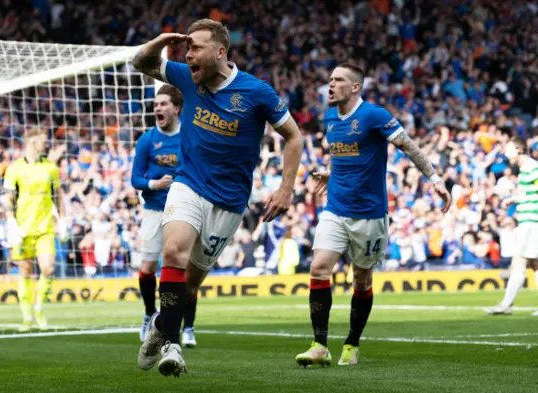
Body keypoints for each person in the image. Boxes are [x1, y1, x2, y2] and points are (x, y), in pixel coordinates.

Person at [132, 18, 303, 376]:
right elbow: (141, 63)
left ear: (220, 51)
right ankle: (173, 346)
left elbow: (294, 136)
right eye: (186, 48)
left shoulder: (256, 92)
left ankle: (162, 326)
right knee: (173, 251)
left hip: (229, 201)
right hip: (188, 183)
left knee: (190, 284)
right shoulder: (184, 77)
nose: (188, 54)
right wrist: (161, 41)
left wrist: (286, 188)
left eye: (195, 48)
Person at [294, 63, 452, 367]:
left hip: (369, 214)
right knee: (319, 267)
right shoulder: (329, 116)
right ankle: (319, 344)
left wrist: (435, 180)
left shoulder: (374, 115)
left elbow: (409, 147)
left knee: (362, 280)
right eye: (329, 80)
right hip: (336, 208)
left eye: (338, 80)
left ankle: (352, 344)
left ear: (355, 87)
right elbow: (345, 155)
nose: (330, 85)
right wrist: (331, 174)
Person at [131, 84, 198, 347]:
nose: (157, 108)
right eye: (155, 104)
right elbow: (135, 177)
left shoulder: (189, 136)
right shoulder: (147, 140)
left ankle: (188, 327)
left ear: (176, 108)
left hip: (184, 210)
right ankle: (149, 314)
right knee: (147, 269)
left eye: (162, 104)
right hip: (154, 209)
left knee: (187, 271)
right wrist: (153, 185)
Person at [3, 128, 68, 331]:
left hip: (45, 228)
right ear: (32, 143)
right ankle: (26, 317)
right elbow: (8, 199)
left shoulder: (50, 168)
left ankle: (39, 308)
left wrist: (63, 220)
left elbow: (58, 196)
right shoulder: (14, 168)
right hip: (23, 229)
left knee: (48, 268)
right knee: (25, 270)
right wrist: (11, 222)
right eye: (43, 141)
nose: (46, 144)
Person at [485, 136, 538, 316]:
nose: (505, 153)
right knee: (535, 264)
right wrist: (514, 197)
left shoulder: (532, 167)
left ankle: (506, 304)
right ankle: (506, 304)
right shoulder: (525, 170)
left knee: (519, 261)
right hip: (529, 221)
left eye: (508, 149)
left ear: (518, 149)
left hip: (532, 222)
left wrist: (515, 198)